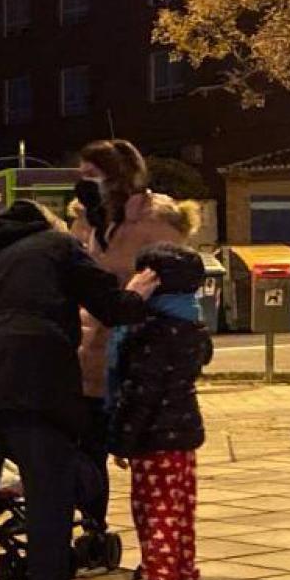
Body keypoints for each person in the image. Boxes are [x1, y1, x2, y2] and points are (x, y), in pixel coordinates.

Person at [0, 200, 159, 580]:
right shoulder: (56, 244)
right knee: (49, 490)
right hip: (33, 379)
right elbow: (109, 305)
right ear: (47, 223)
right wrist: (136, 294)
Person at [72, 139, 197, 533]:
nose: (83, 182)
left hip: (138, 358)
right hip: (86, 355)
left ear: (118, 177)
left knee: (147, 460)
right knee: (86, 452)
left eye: (92, 174)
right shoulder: (86, 221)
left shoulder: (157, 222)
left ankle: (159, 556)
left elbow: (172, 285)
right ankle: (94, 531)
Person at [110, 243, 211, 580]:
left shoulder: (151, 333)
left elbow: (141, 393)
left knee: (155, 510)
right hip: (183, 431)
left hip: (154, 435)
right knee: (180, 508)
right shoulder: (191, 325)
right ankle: (183, 574)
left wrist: (121, 441)